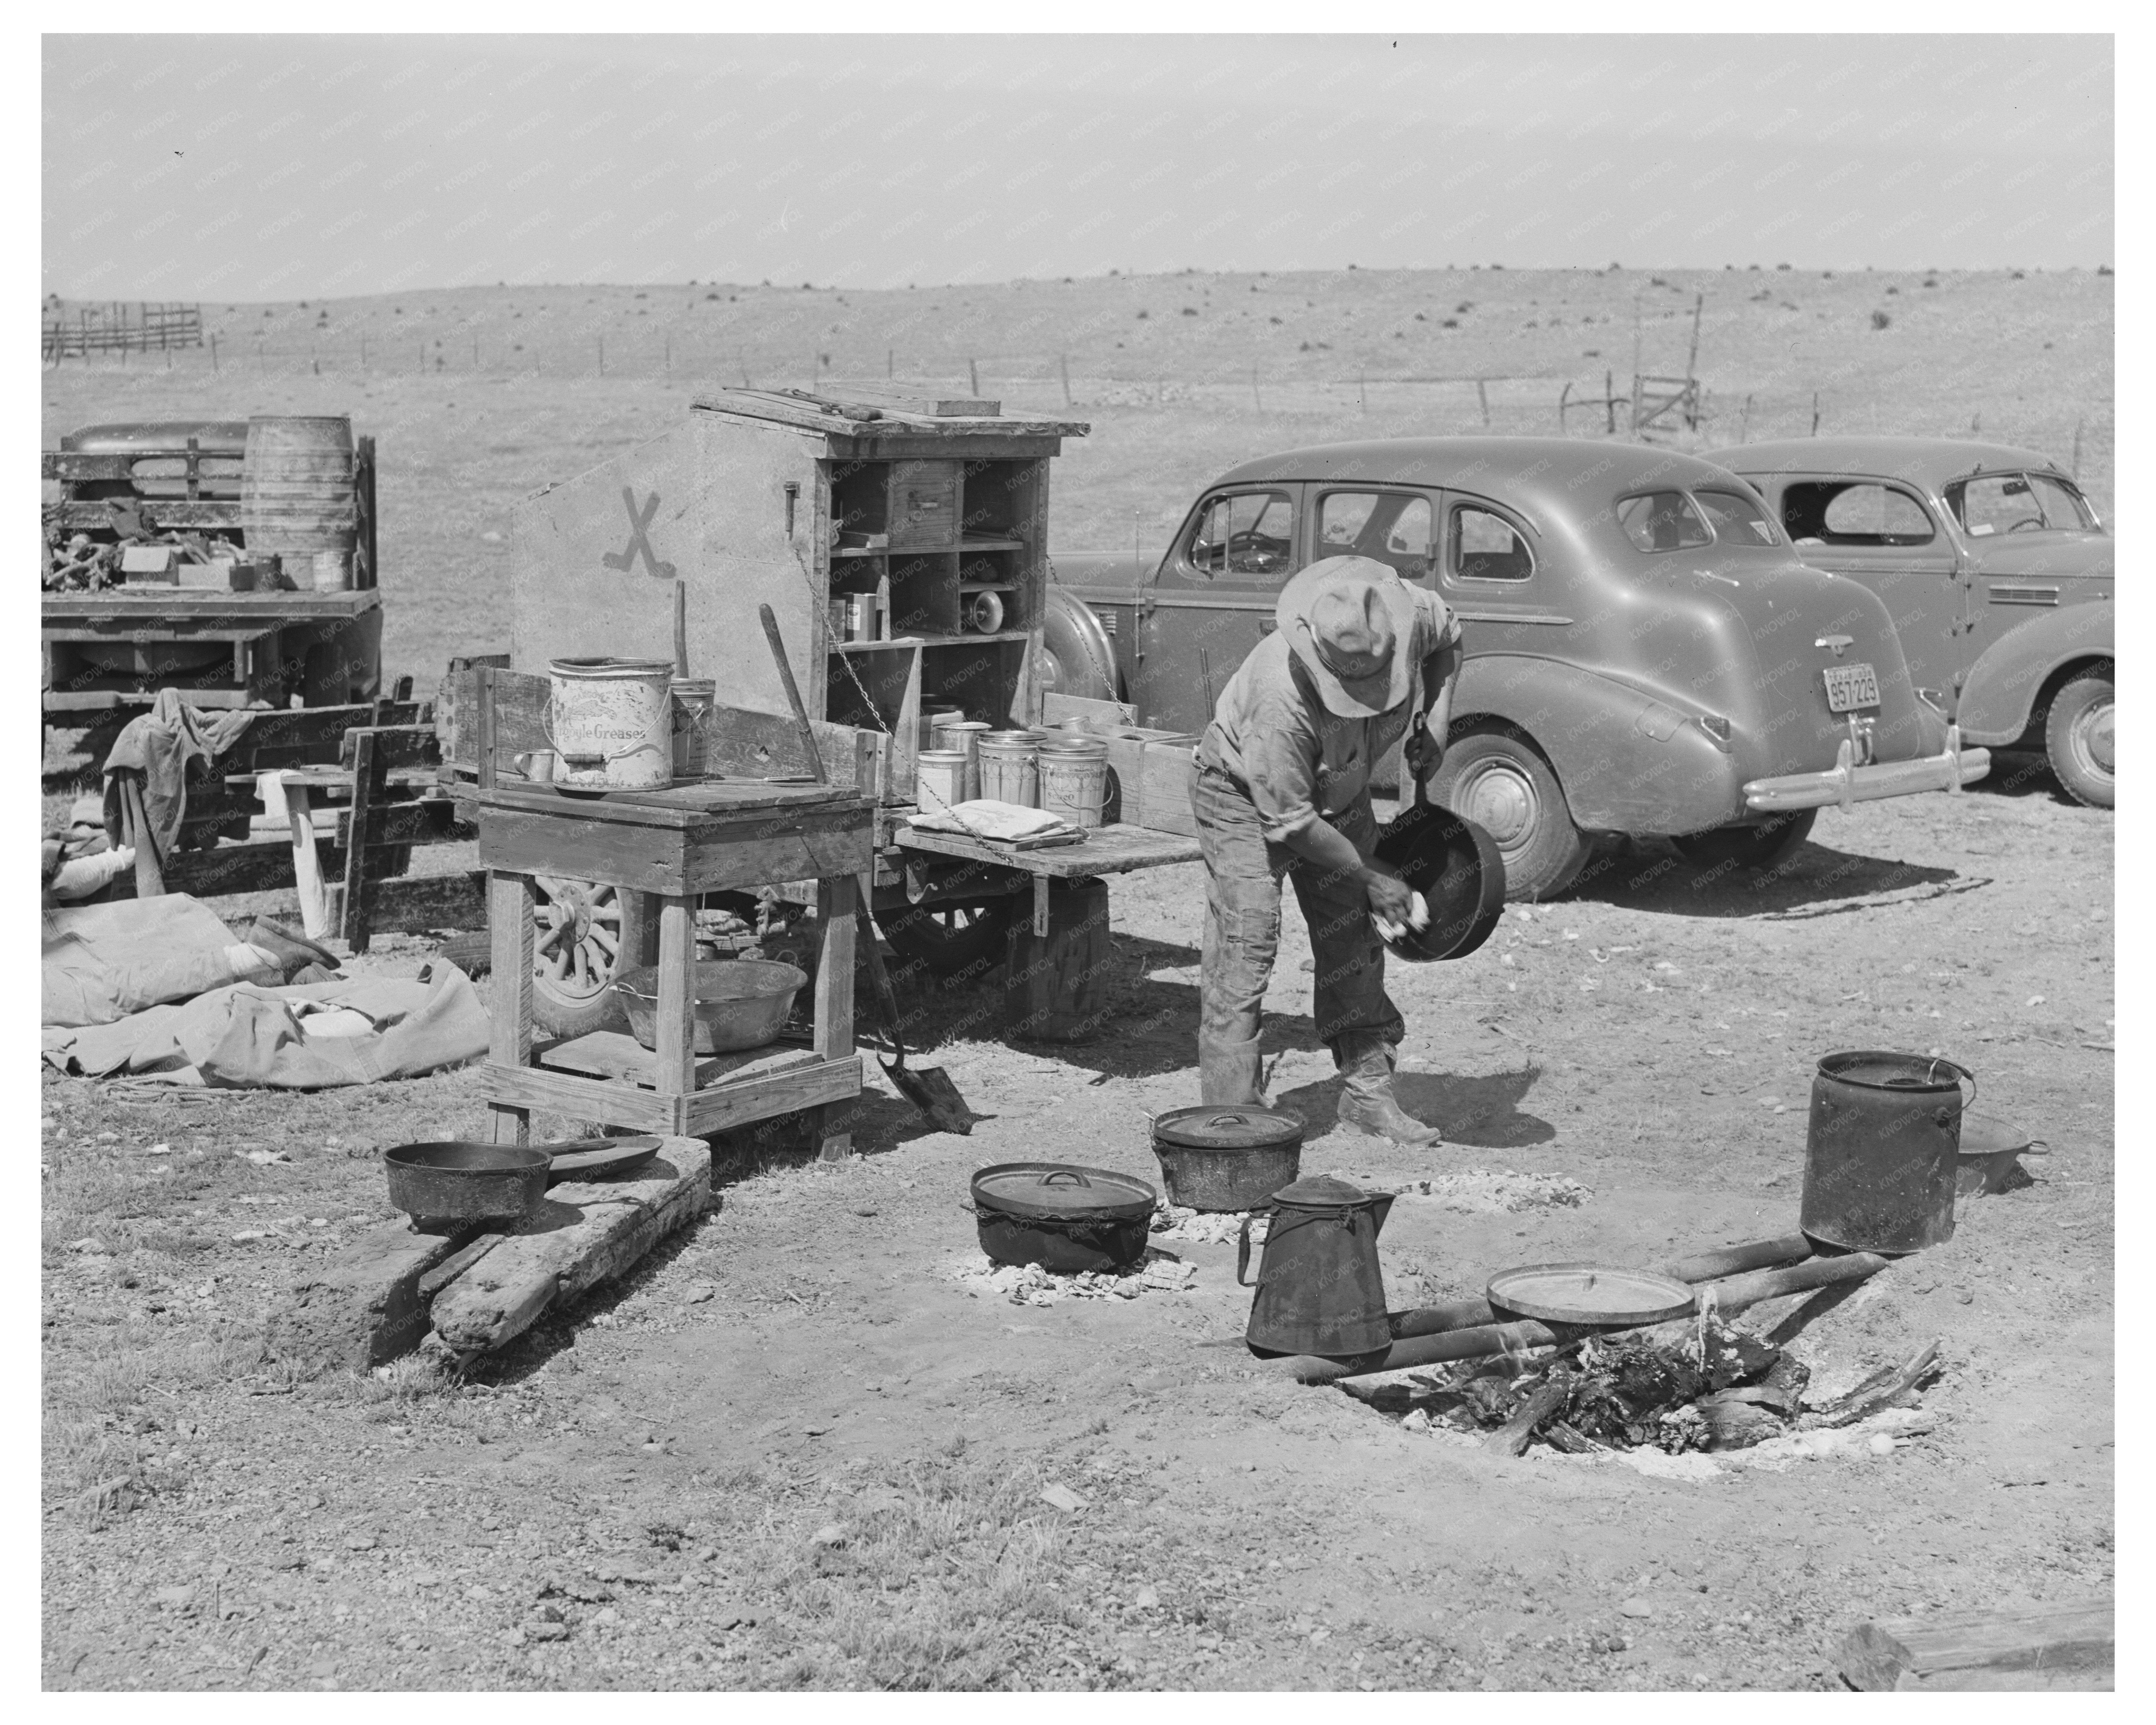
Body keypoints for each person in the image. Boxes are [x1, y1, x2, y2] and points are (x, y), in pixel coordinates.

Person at [1192, 554, 1463, 1144]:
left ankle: (1368, 1098)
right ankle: (1231, 1125)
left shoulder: (1407, 615)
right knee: (1248, 943)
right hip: (1242, 799)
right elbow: (1291, 824)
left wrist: (1436, 726)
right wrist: (1373, 876)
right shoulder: (1278, 701)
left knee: (1353, 940)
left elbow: (1450, 638)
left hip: (1340, 789)